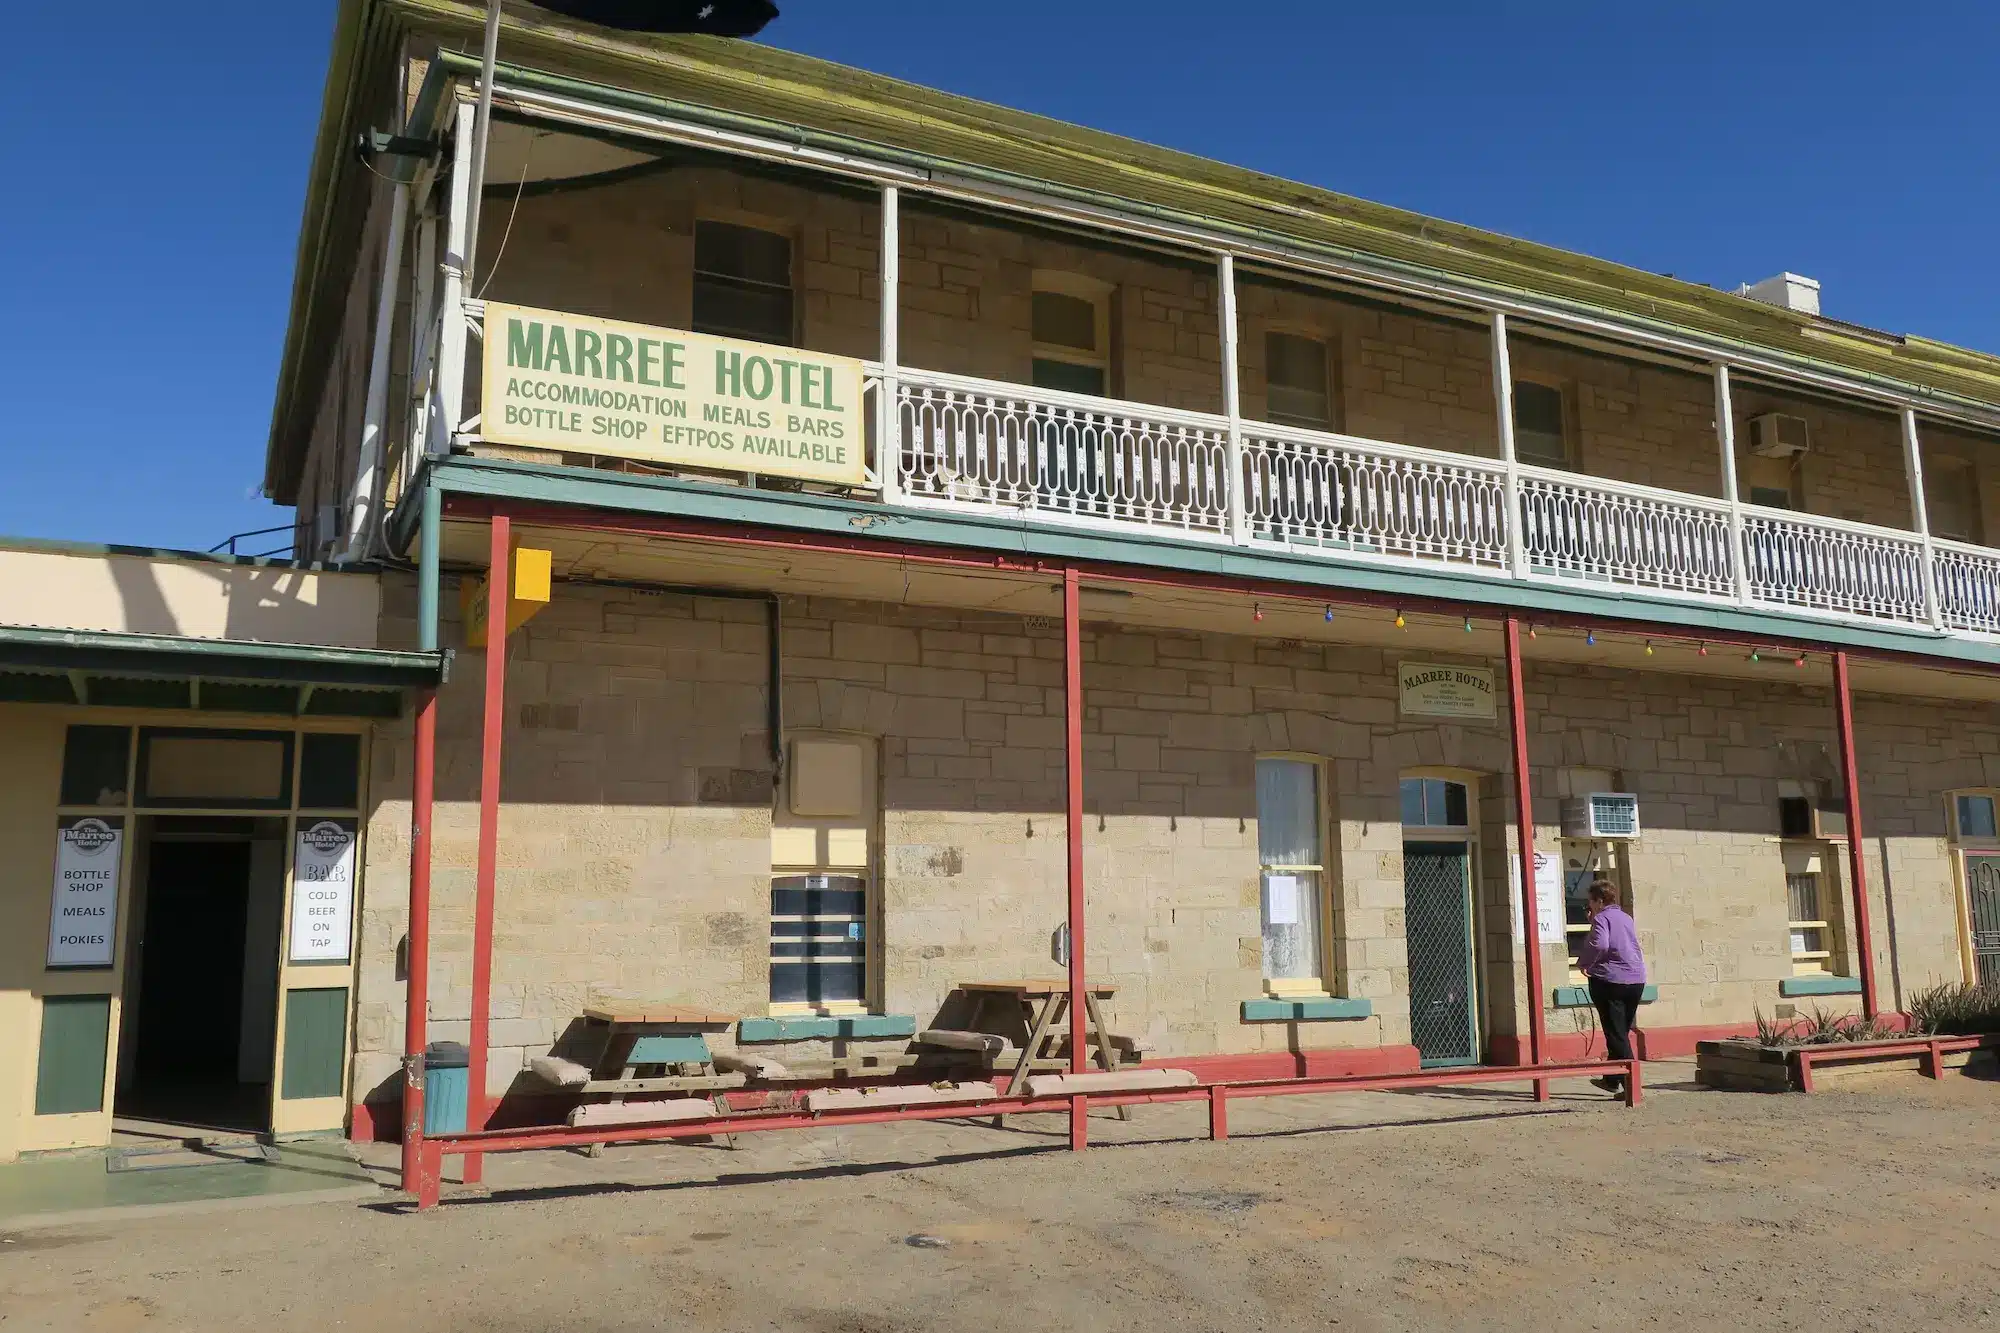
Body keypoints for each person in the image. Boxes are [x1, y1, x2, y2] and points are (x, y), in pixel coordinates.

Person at [1574, 878, 1646, 1094]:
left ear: (1599, 901)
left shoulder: (1602, 918)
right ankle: (1612, 1079)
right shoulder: (1625, 917)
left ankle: (1632, 1087)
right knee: (1620, 1032)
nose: (1590, 906)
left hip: (1611, 980)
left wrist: (1585, 962)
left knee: (1616, 1035)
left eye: (1591, 902)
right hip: (1636, 979)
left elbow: (1601, 943)